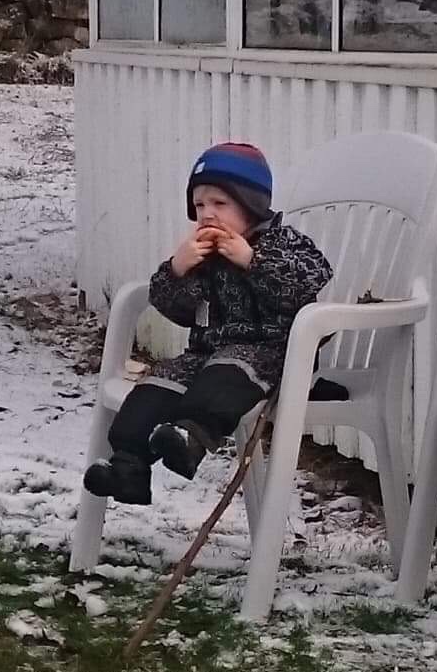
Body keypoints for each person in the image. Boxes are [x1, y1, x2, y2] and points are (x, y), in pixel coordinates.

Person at [85, 141, 332, 506]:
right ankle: (128, 465)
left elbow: (312, 278)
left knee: (223, 378)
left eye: (219, 203)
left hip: (271, 354)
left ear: (251, 204)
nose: (207, 214)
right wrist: (177, 269)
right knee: (156, 385)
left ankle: (191, 438)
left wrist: (253, 260)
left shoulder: (282, 242)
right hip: (204, 353)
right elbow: (174, 309)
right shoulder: (203, 255)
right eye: (199, 206)